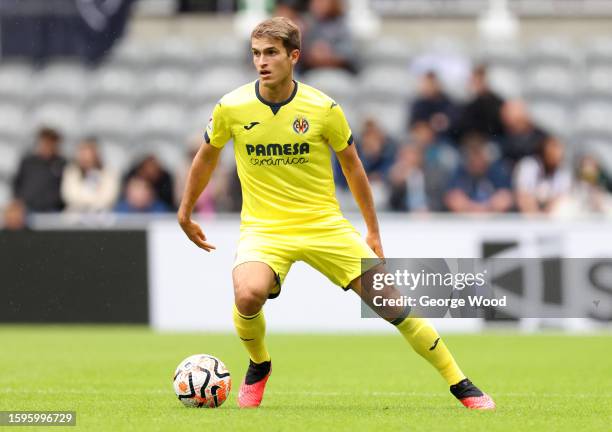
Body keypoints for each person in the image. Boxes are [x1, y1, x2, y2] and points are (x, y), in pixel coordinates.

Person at [178, 17, 495, 410]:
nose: (262, 61)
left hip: (324, 225)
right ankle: (259, 364)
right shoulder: (231, 107)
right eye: (257, 53)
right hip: (265, 230)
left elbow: (354, 167)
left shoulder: (323, 108)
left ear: (294, 56)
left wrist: (372, 230)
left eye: (272, 53)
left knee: (392, 304)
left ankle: (459, 383)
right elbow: (206, 157)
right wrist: (186, 209)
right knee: (248, 294)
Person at [444, 135, 513, 213]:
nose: (477, 161)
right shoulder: (460, 172)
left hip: (493, 220)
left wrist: (485, 208)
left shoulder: (496, 171)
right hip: (465, 220)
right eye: (473, 155)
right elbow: (452, 198)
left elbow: (506, 197)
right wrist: (474, 209)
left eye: (479, 154)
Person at [12, 127, 66, 212]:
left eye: (51, 143)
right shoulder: (28, 162)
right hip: (28, 209)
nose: (47, 146)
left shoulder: (62, 163)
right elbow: (17, 183)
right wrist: (19, 201)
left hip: (53, 210)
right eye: (45, 142)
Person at [514, 135, 572, 214]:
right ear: (544, 147)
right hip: (524, 214)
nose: (557, 152)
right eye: (553, 146)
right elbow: (522, 196)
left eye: (559, 148)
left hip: (549, 217)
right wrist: (537, 219)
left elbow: (562, 198)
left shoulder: (563, 172)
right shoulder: (529, 165)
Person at [61, 138, 120, 212]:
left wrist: (91, 203)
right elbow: (69, 196)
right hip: (75, 215)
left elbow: (109, 197)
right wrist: (92, 199)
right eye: (83, 153)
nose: (86, 157)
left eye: (89, 153)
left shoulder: (108, 172)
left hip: (101, 216)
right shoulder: (71, 172)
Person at [409, 71, 457, 140]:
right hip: (421, 140)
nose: (428, 87)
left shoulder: (448, 104)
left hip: (442, 140)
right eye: (426, 84)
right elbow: (412, 125)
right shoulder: (417, 104)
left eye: (431, 84)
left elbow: (452, 124)